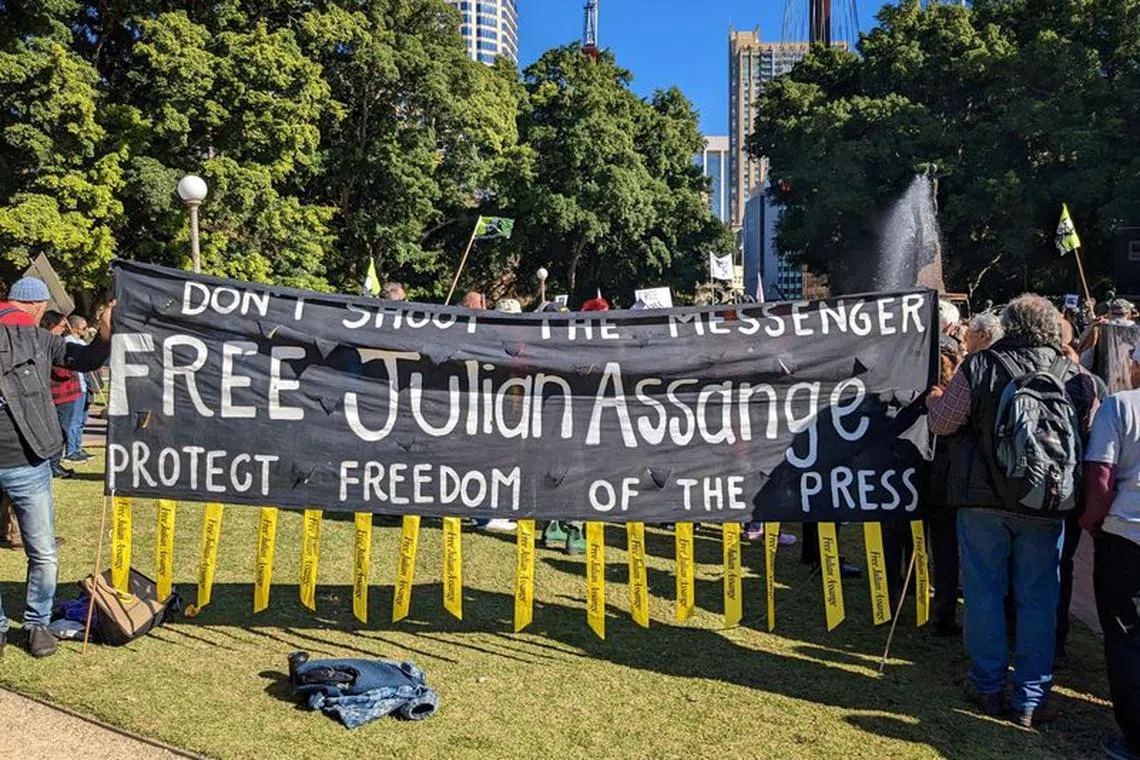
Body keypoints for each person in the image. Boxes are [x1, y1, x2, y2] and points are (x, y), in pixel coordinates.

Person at [927, 294, 1098, 727]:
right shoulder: (1077, 375)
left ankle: (986, 685)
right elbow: (1090, 438)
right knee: (1039, 599)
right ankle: (1031, 697)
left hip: (983, 502)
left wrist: (934, 399)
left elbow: (943, 423)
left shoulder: (980, 366)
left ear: (1008, 325)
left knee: (984, 593)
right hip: (1047, 502)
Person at [0, 277, 113, 657]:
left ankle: (18, 626)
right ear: (36, 306)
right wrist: (106, 335)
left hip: (28, 459)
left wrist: (103, 336)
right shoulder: (37, 336)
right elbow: (86, 360)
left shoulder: (38, 338)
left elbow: (82, 361)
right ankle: (36, 625)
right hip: (28, 460)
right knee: (42, 550)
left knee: (43, 549)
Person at [1083, 348, 1140, 760]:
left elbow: (1100, 475)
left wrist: (1091, 523)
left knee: (1124, 637)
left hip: (1124, 537)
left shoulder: (1121, 406)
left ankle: (1134, 737)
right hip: (1122, 534)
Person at [472, 298, 522, 534]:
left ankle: (484, 512)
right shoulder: (496, 343)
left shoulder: (493, 340)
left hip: (507, 408)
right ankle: (490, 514)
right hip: (496, 409)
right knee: (496, 461)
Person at [39, 311, 83, 478]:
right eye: (62, 326)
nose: (64, 330)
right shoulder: (48, 343)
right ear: (52, 325)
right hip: (60, 395)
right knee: (59, 431)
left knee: (63, 430)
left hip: (69, 393)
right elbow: (60, 372)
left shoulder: (56, 342)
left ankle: (55, 463)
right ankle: (53, 465)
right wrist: (72, 364)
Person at [64, 314, 94, 463]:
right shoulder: (68, 342)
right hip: (76, 386)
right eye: (83, 327)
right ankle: (71, 451)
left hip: (86, 385)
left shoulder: (81, 342)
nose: (86, 329)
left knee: (82, 419)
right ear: (74, 328)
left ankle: (78, 447)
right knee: (74, 420)